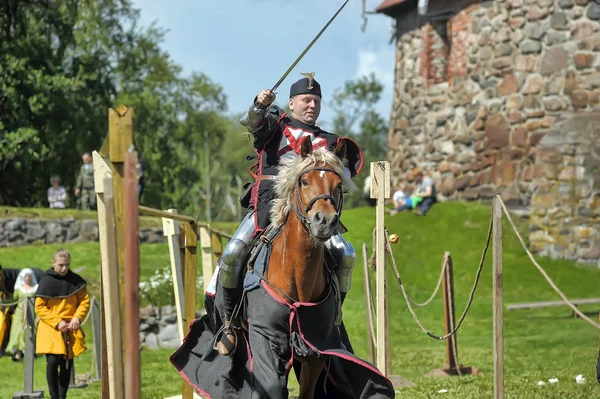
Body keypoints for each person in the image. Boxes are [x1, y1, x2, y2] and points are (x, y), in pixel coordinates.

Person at [215, 73, 363, 353]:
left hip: (311, 208)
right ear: (292, 103)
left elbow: (342, 174)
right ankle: (229, 323)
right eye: (306, 100)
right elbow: (252, 122)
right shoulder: (274, 126)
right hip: (269, 201)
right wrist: (260, 105)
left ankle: (335, 317)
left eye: (316, 101)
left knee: (346, 254)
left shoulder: (330, 141)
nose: (312, 105)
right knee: (234, 252)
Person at [35, 249, 90, 399]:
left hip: (70, 326)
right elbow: (39, 307)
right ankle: (54, 397)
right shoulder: (46, 281)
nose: (64, 268)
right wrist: (57, 322)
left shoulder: (75, 280)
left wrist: (77, 318)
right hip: (50, 326)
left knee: (67, 364)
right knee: (52, 362)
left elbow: (84, 301)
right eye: (60, 265)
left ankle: (62, 396)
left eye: (66, 265)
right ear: (53, 263)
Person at [5, 268, 39, 361]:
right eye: (25, 276)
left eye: (29, 276)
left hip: (32, 313)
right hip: (20, 314)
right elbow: (15, 299)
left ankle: (30, 352)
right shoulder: (19, 289)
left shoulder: (35, 288)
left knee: (30, 332)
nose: (27, 278)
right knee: (17, 332)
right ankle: (17, 353)